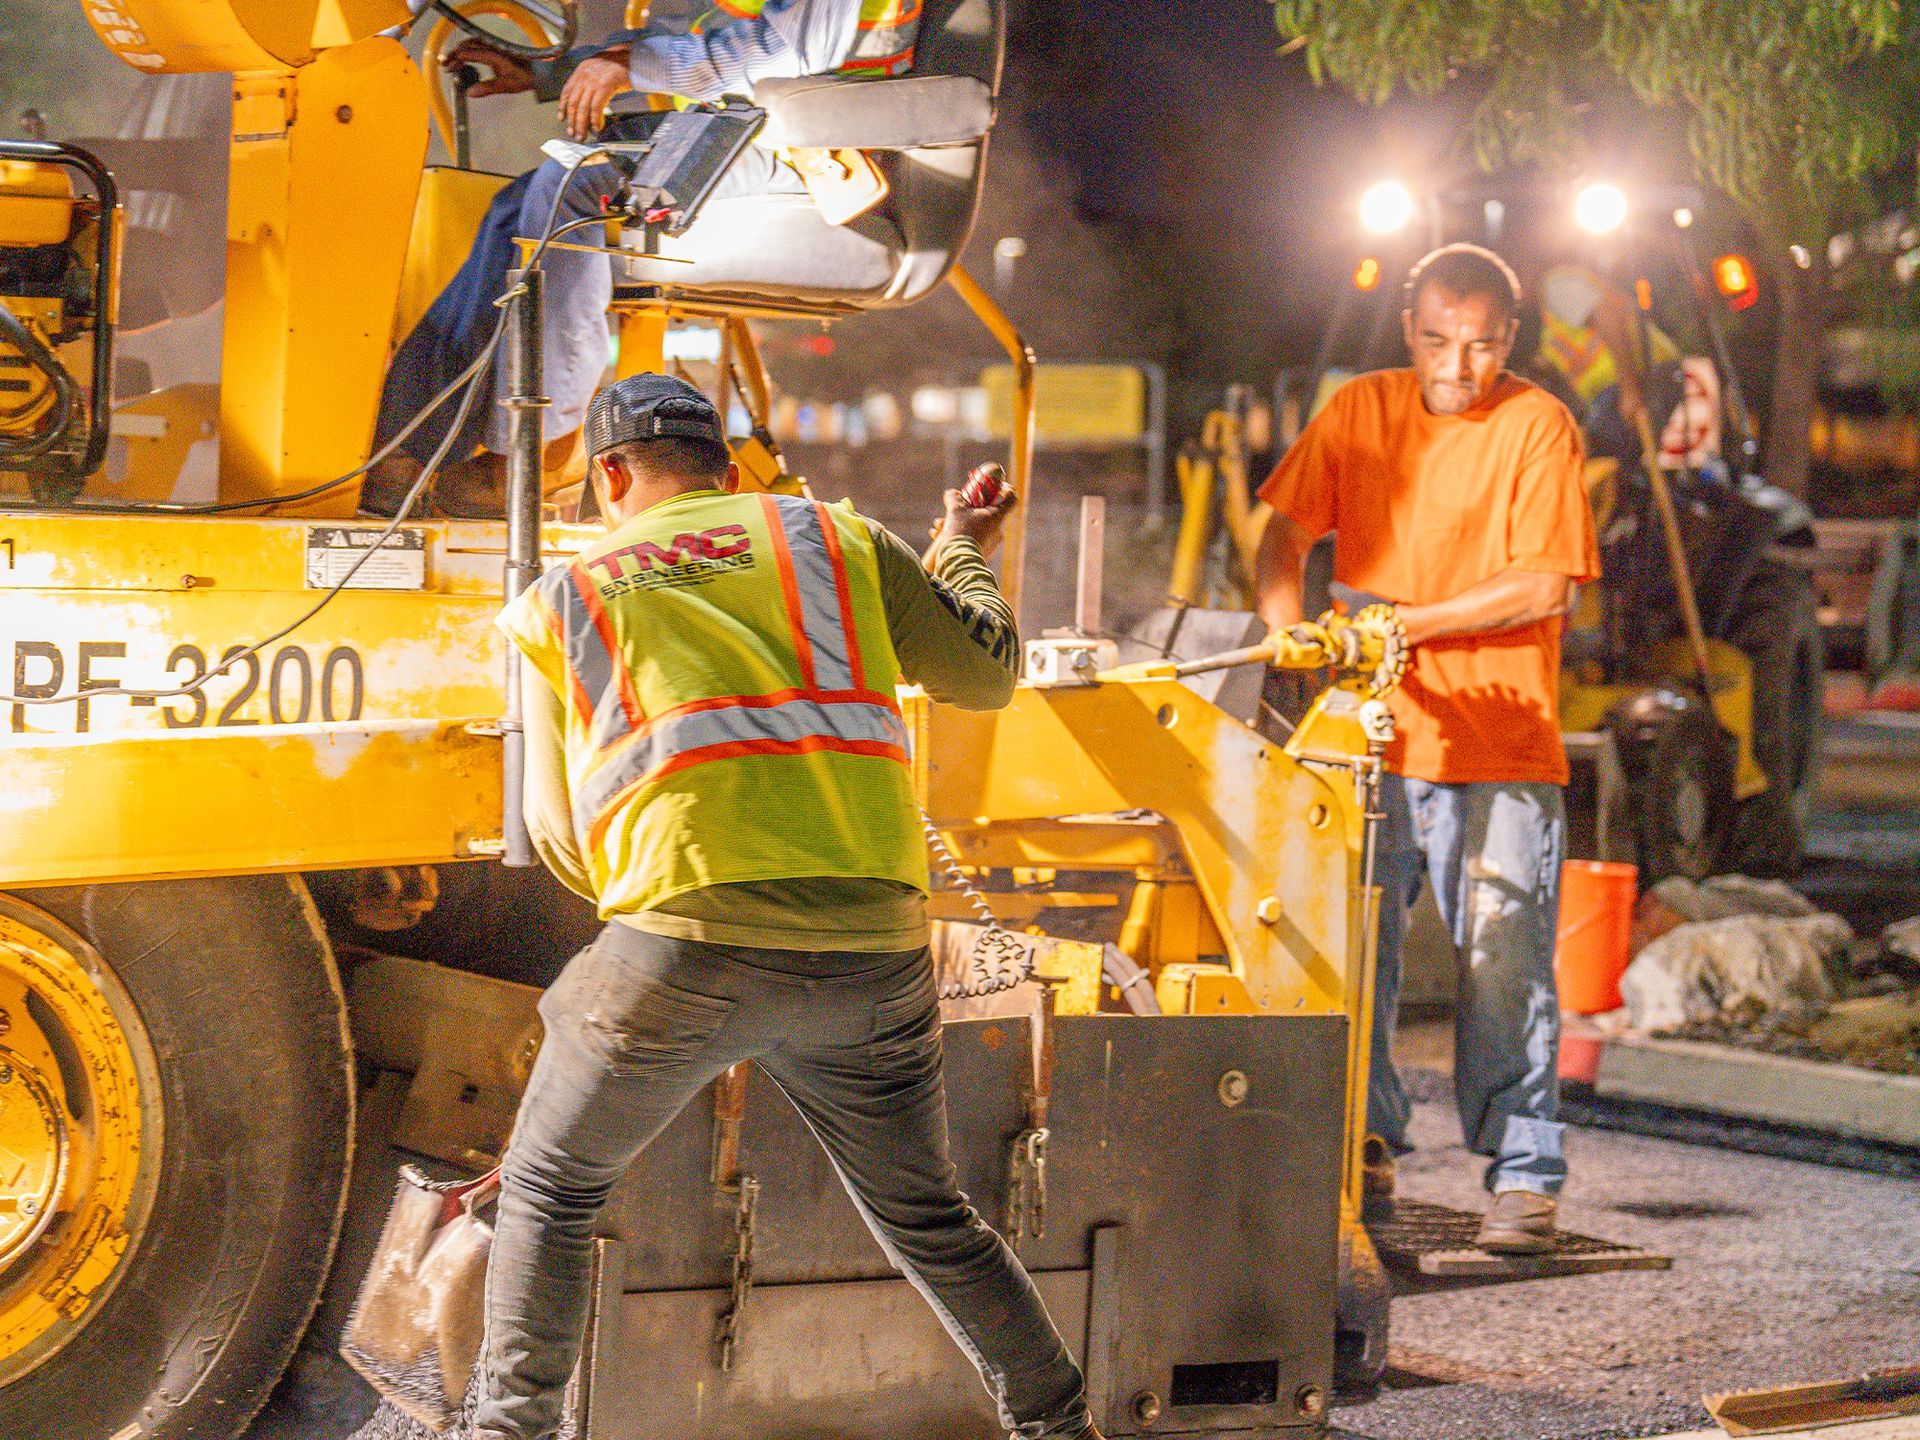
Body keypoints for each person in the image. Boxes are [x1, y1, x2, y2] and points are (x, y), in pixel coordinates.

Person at [484, 372, 1100, 1440]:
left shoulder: (564, 598)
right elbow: (986, 673)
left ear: (613, 476)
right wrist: (963, 544)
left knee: (549, 1190)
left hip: (679, 945)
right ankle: (1060, 1425)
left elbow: (556, 837)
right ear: (729, 473)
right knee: (927, 1217)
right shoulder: (832, 539)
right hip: (871, 949)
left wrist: (656, 900)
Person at [1253, 244, 1601, 1254]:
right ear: (1410, 331)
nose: (1460, 366)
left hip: (1502, 743)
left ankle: (1525, 1176)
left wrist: (1397, 624)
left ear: (1511, 339)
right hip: (1366, 739)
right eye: (1442, 342)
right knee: (1353, 952)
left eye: (1484, 346)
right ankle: (1362, 1150)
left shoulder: (1538, 426)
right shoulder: (1360, 410)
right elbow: (1281, 539)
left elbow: (1544, 587)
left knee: (1503, 960)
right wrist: (1290, 634)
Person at [364, 0, 916, 516]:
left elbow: (793, 50)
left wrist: (632, 65)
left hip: (820, 146)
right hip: (754, 129)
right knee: (514, 210)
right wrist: (556, 72)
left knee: (570, 185)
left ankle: (539, 450)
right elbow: (713, 30)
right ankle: (406, 446)